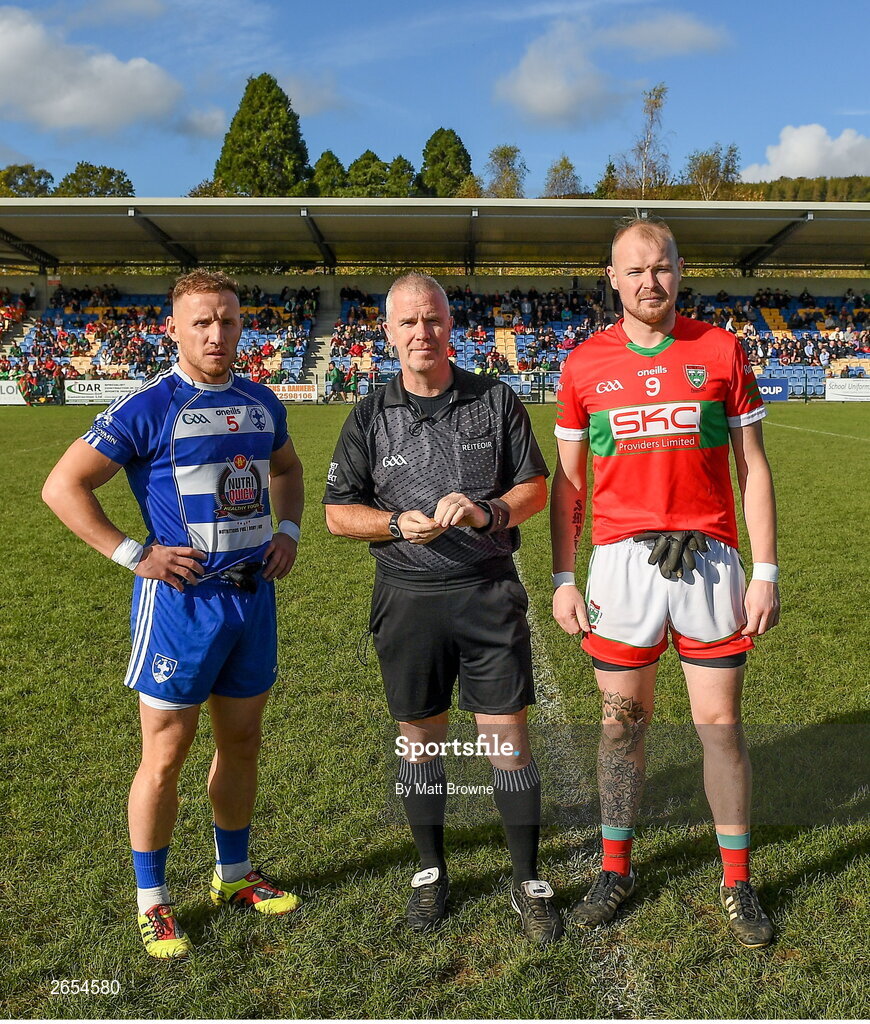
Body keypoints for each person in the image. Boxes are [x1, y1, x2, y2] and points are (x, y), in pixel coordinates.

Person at [42, 270, 305, 960]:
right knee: (164, 755)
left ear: (242, 323)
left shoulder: (259, 400)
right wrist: (135, 553)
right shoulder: (147, 406)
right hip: (181, 606)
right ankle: (152, 901)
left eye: (227, 320)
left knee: (242, 743)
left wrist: (290, 532)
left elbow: (288, 469)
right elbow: (62, 486)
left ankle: (234, 875)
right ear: (173, 328)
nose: (216, 334)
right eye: (201, 322)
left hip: (253, 599)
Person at [550, 217, 780, 949]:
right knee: (621, 728)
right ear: (611, 279)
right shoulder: (585, 365)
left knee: (723, 730)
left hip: (710, 564)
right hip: (622, 567)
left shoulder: (720, 350)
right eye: (635, 271)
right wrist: (563, 575)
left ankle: (737, 881)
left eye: (664, 268)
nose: (651, 282)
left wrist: (765, 570)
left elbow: (754, 470)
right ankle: (614, 868)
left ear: (681, 270)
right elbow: (569, 487)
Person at [323, 272, 562, 945]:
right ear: (388, 332)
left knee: (506, 740)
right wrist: (396, 524)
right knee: (420, 740)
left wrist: (488, 511)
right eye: (408, 323)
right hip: (408, 601)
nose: (422, 333)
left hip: (487, 594)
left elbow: (535, 488)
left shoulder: (495, 399)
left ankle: (528, 880)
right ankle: (430, 872)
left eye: (432, 320)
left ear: (451, 326)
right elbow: (337, 516)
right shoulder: (370, 414)